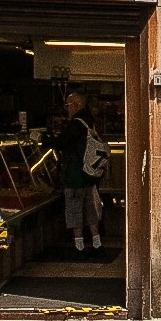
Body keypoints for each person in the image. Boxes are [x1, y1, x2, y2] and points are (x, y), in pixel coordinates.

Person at [54, 91, 103, 255]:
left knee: (75, 210)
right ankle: (97, 243)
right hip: (90, 175)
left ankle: (79, 246)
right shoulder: (90, 122)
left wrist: (43, 139)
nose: (66, 109)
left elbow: (61, 143)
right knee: (91, 211)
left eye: (67, 105)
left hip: (75, 175)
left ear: (75, 105)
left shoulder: (75, 124)